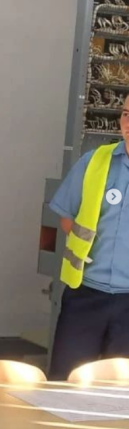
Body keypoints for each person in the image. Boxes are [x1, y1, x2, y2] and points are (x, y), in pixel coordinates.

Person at [48, 95, 129, 380]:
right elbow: (67, 216)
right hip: (86, 293)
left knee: (120, 388)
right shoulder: (95, 161)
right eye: (126, 114)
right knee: (66, 379)